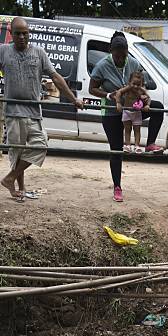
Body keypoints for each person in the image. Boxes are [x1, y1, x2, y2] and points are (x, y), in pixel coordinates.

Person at [0, 17, 83, 203]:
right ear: (11, 34)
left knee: (40, 145)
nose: (22, 37)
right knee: (18, 151)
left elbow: (56, 77)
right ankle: (19, 188)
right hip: (13, 111)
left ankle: (9, 178)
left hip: (33, 111)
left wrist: (73, 99)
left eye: (25, 33)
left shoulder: (39, 52)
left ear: (29, 33)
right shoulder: (3, 51)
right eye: (18, 33)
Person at [89, 31, 164, 202]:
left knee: (158, 108)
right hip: (112, 111)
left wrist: (144, 97)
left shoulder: (134, 63)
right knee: (116, 151)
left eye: (124, 56)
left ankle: (150, 143)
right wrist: (109, 95)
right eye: (118, 57)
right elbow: (91, 89)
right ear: (111, 51)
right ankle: (117, 187)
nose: (121, 60)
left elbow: (142, 84)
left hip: (133, 108)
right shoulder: (102, 65)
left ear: (127, 52)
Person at [115, 71, 150, 153]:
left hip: (137, 113)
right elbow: (118, 93)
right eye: (133, 83)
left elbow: (148, 98)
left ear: (141, 84)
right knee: (127, 129)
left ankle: (137, 145)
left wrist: (147, 105)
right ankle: (127, 145)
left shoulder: (141, 90)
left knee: (137, 130)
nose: (135, 86)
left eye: (138, 84)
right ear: (129, 82)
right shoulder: (128, 88)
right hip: (127, 111)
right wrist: (118, 103)